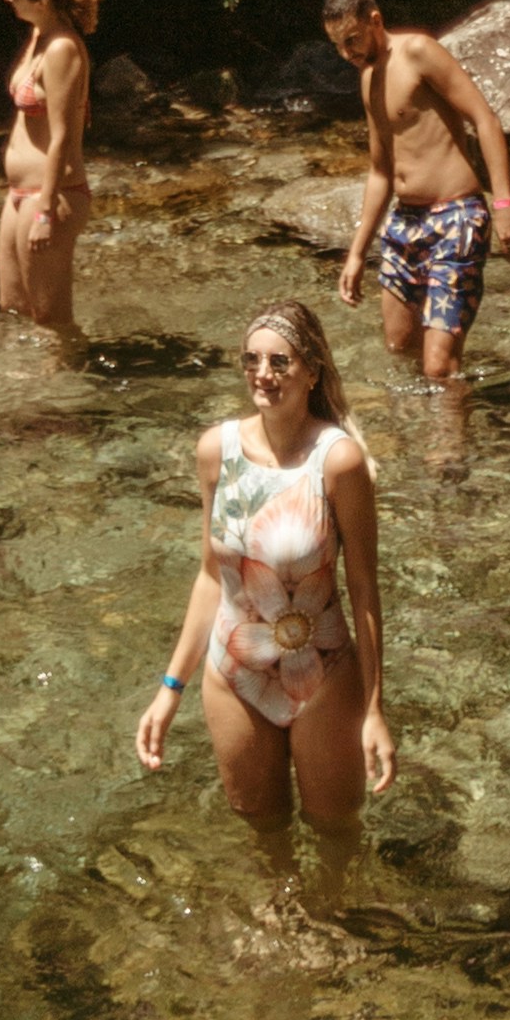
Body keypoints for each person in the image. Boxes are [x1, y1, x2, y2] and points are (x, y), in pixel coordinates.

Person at [133, 299, 393, 836]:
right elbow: (211, 576)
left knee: (334, 830)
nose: (263, 374)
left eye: (280, 362)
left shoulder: (338, 460)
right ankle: (273, 921)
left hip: (322, 676)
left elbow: (365, 588)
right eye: (252, 360)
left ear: (312, 371)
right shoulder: (216, 450)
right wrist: (168, 690)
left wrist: (374, 710)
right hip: (233, 675)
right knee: (260, 829)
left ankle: (329, 919)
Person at [324, 0, 510, 390]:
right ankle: (413, 448)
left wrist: (503, 204)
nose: (347, 54)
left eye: (352, 40)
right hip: (404, 225)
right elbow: (380, 170)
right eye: (338, 46)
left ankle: (450, 456)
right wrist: (357, 254)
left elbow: (484, 119)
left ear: (375, 20)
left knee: (438, 368)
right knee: (399, 353)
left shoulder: (419, 52)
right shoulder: (367, 80)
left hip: (457, 217)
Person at [0, 0, 98, 337]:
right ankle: (28, 391)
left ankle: (71, 391)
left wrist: (44, 212)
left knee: (52, 321)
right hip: (18, 192)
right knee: (14, 311)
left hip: (51, 195)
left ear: (39, 0)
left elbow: (62, 137)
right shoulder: (38, 34)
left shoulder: (62, 50)